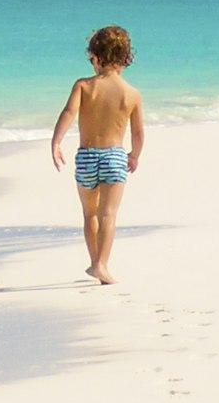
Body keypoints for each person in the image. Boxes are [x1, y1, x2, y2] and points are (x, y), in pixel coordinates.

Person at [51, 25, 147, 285]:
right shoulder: (132, 94)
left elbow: (68, 114)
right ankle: (102, 265)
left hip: (86, 157)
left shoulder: (83, 86)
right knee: (109, 214)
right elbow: (138, 133)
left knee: (89, 214)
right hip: (115, 157)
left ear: (96, 56)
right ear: (125, 58)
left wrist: (56, 141)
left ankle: (95, 263)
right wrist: (135, 156)